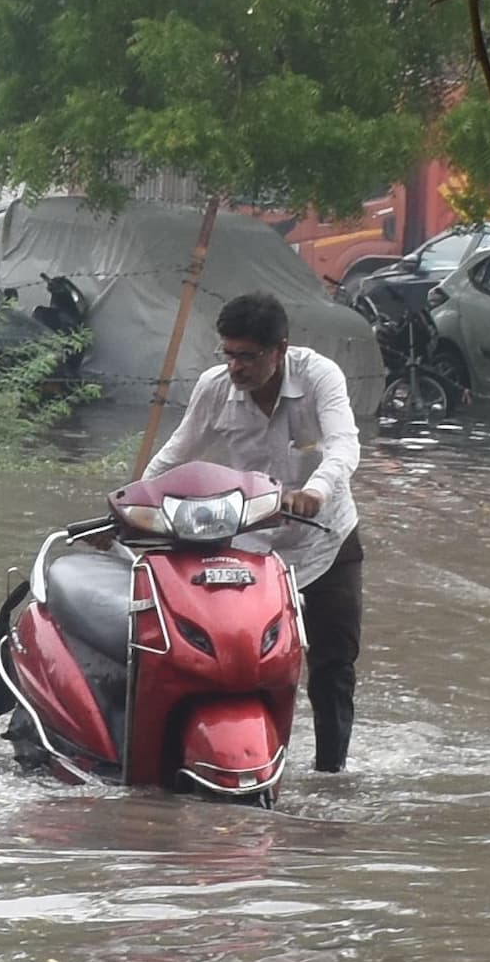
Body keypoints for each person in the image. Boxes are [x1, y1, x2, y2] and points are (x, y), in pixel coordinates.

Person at [148, 291, 366, 772]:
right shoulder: (214, 387)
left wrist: (316, 489)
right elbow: (176, 453)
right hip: (252, 550)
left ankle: (332, 773)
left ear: (279, 349)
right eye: (228, 354)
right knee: (236, 659)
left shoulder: (319, 376)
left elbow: (344, 446)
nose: (236, 368)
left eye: (247, 356)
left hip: (325, 542)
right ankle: (241, 759)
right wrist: (131, 505)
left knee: (332, 668)